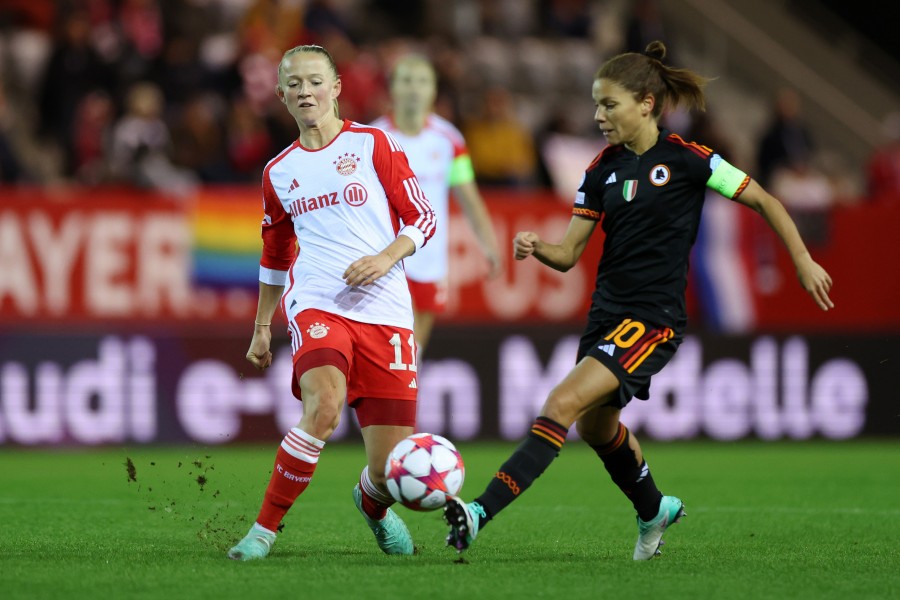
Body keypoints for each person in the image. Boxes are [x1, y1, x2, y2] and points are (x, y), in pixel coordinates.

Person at [443, 40, 833, 561]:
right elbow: (568, 256)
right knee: (595, 425)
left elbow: (763, 199)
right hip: (605, 315)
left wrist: (802, 259)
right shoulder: (599, 170)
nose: (598, 116)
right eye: (595, 105)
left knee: (560, 403)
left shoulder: (690, 160)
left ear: (646, 103)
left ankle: (478, 512)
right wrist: (539, 248)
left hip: (654, 319)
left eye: (609, 105)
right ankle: (654, 509)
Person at [227, 44, 437, 561]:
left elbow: (423, 218)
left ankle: (372, 503)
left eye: (315, 81)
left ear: (337, 87)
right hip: (319, 301)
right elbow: (275, 253)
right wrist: (260, 326)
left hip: (386, 310)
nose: (305, 91)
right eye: (294, 84)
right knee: (323, 406)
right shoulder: (279, 172)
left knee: (390, 472)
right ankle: (263, 532)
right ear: (280, 95)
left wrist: (386, 257)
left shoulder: (373, 144)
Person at [371, 54, 501, 356]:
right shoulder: (372, 138)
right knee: (379, 353)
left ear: (433, 91)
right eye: (406, 81)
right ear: (392, 89)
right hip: (384, 258)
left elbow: (469, 199)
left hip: (429, 260)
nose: (414, 89)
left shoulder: (449, 140)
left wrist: (490, 245)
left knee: (411, 356)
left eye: (422, 82)